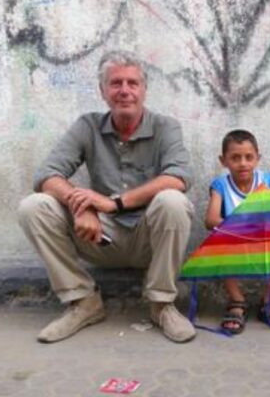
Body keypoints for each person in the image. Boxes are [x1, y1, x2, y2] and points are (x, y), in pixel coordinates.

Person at [17, 50, 196, 344]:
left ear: (144, 89)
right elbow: (47, 174)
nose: (124, 90)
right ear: (103, 91)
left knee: (173, 201)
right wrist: (80, 206)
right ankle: (84, 302)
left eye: (132, 83)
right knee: (33, 207)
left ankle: (161, 304)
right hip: (98, 236)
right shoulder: (87, 126)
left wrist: (114, 203)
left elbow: (178, 177)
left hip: (147, 239)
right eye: (115, 83)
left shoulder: (166, 127)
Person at [203, 130, 270, 333]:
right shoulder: (220, 185)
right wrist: (243, 228)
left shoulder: (268, 181)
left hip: (263, 241)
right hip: (234, 241)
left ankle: (269, 301)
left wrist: (262, 229)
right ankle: (237, 301)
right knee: (217, 239)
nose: (243, 163)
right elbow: (211, 220)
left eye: (249, 157)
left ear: (258, 158)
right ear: (223, 161)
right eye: (235, 158)